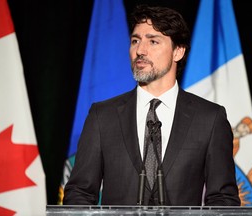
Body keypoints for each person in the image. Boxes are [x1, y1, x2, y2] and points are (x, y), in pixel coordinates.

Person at [63, 4, 240, 206]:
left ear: (178, 52)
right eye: (135, 41)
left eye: (153, 41)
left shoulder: (210, 118)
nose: (140, 50)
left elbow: (223, 200)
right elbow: (79, 194)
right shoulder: (102, 116)